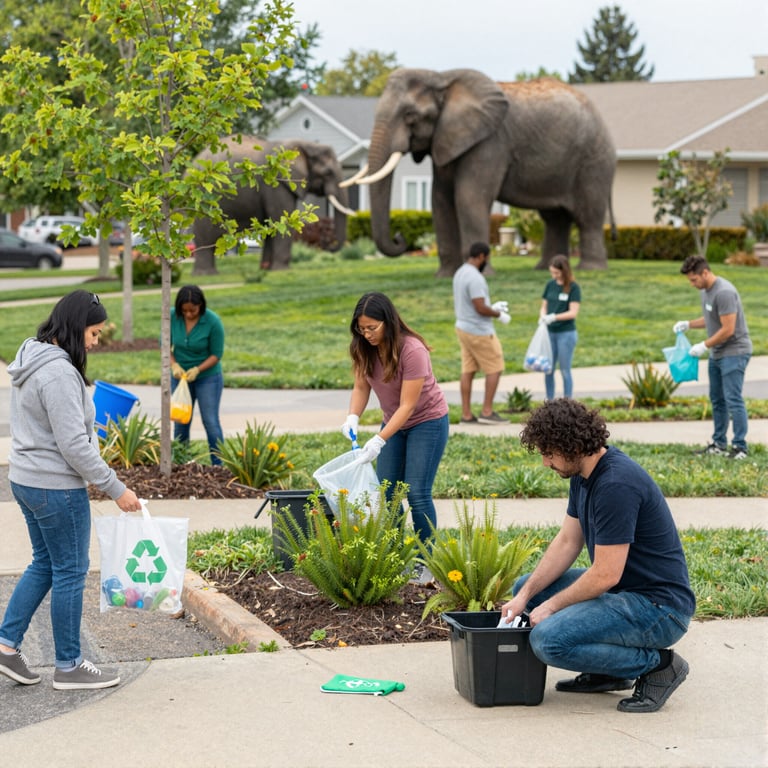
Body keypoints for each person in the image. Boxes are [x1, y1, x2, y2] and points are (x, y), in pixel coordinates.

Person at [501, 398, 695, 714]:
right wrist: (525, 596)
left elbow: (605, 574)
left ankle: (659, 665)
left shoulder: (616, 484)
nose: (545, 463)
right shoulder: (582, 476)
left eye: (549, 454)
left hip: (659, 608)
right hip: (623, 592)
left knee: (548, 641)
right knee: (528, 590)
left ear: (571, 446)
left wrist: (551, 607)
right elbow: (567, 541)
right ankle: (610, 670)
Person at [0, 290, 142, 691]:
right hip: (55, 487)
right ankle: (69, 664)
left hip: (27, 478)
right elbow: (73, 445)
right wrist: (117, 488)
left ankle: (6, 646)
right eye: (94, 333)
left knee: (44, 564)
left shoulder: (32, 353)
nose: (96, 342)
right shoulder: (59, 372)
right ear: (76, 327)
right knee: (70, 571)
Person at [341, 292, 449, 583]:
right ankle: (397, 557)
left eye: (372, 328)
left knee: (416, 492)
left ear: (388, 322)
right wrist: (353, 416)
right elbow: (361, 387)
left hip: (428, 422)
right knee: (387, 493)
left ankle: (427, 563)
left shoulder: (412, 350)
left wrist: (378, 440)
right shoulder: (364, 348)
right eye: (361, 329)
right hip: (395, 423)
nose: (366, 334)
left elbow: (408, 406)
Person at [673, 255, 752, 460]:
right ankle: (719, 443)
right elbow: (711, 319)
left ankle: (740, 447)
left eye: (694, 280)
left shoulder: (724, 292)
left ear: (705, 273)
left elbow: (728, 329)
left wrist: (703, 345)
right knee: (717, 399)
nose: (692, 284)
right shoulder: (706, 291)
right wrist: (689, 324)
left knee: (733, 399)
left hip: (735, 351)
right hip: (718, 352)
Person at [452, 241, 510, 424]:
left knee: (468, 370)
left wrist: (490, 307)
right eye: (487, 258)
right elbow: (479, 307)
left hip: (462, 327)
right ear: (482, 256)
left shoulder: (460, 272)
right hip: (479, 330)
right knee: (496, 366)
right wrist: (498, 314)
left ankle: (467, 415)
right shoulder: (476, 277)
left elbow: (472, 303)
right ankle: (487, 411)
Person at [170, 285, 225, 465]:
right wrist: (174, 365)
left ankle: (218, 465)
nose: (188, 314)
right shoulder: (171, 317)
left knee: (210, 421)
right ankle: (180, 463)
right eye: (184, 310)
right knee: (180, 420)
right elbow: (164, 345)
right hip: (180, 377)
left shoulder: (212, 321)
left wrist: (198, 370)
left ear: (201, 306)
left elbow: (216, 354)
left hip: (207, 377)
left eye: (192, 310)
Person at [539, 254, 581, 399]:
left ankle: (567, 401)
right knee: (548, 369)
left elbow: (573, 312)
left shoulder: (573, 288)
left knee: (565, 370)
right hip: (550, 332)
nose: (554, 275)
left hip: (566, 333)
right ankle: (549, 402)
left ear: (564, 271)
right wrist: (543, 316)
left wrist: (554, 317)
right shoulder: (550, 285)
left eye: (557, 272)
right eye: (552, 272)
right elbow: (544, 305)